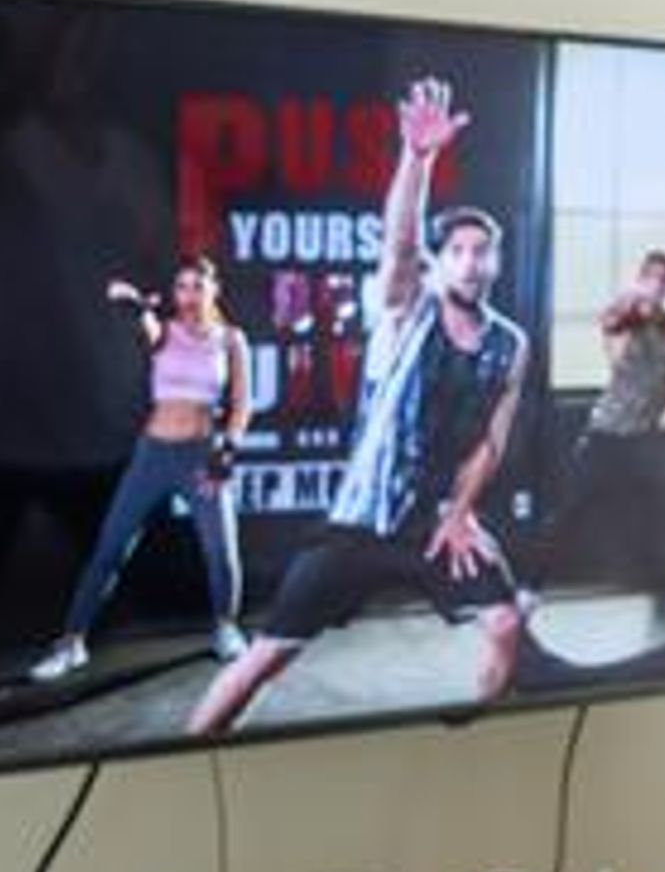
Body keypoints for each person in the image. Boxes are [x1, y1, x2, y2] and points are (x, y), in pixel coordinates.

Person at [188, 78, 530, 735]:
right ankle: (191, 746)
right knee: (266, 660)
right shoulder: (407, 310)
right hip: (358, 523)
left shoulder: (509, 345)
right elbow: (400, 242)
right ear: (436, 267)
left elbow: (491, 439)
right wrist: (418, 158)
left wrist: (461, 510)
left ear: (495, 262)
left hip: (433, 524)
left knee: (507, 623)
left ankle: (470, 729)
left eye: (480, 250)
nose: (468, 262)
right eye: (454, 251)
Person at [28, 256, 252, 680]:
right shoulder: (163, 332)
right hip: (152, 455)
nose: (188, 296)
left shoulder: (231, 340)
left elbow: (242, 405)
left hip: (202, 455)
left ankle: (225, 627)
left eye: (196, 286)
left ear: (213, 290)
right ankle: (71, 642)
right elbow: (140, 320)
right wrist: (133, 302)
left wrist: (228, 449)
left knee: (220, 551)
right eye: (181, 287)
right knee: (110, 548)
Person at [540, 249, 665, 627]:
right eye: (650, 278)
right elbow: (616, 352)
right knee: (568, 507)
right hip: (606, 430)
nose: (656, 285)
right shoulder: (621, 315)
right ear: (640, 280)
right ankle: (528, 589)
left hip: (648, 436)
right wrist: (634, 304)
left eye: (663, 280)